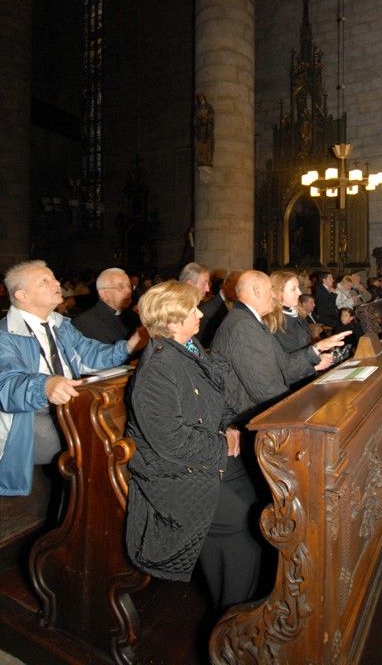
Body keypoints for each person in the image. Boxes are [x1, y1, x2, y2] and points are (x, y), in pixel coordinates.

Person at [125, 281, 260, 610]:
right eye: (192, 310)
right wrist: (220, 442)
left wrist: (230, 426)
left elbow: (217, 399)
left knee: (259, 503)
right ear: (171, 321)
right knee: (247, 525)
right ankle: (235, 619)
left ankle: (239, 604)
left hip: (205, 455)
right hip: (172, 474)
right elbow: (170, 440)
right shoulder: (158, 368)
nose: (201, 313)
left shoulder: (189, 347)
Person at [0, 260, 144, 496]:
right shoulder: (6, 336)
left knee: (120, 424)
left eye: (53, 277)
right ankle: (89, 513)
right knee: (96, 439)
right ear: (22, 295)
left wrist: (129, 345)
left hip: (68, 407)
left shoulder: (61, 325)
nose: (56, 282)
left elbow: (92, 354)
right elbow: (6, 386)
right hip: (27, 421)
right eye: (44, 281)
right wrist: (44, 385)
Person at [211, 270, 330, 421]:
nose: (274, 295)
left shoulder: (250, 320)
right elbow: (266, 390)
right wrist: (298, 410)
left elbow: (283, 365)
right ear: (257, 291)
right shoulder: (243, 325)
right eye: (270, 290)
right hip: (250, 417)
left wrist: (315, 350)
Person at [265, 271, 351, 383]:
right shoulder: (273, 322)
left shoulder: (298, 314)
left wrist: (320, 357)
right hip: (293, 384)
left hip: (308, 375)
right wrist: (315, 362)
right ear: (278, 292)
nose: (300, 292)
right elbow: (283, 366)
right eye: (293, 289)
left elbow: (305, 348)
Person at [72, 267, 140, 344]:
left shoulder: (133, 316)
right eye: (121, 287)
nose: (128, 291)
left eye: (129, 286)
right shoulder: (83, 323)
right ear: (104, 294)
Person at [197, 269, 242, 349]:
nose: (240, 292)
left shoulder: (238, 305)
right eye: (237, 286)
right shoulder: (208, 309)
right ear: (226, 284)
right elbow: (201, 342)